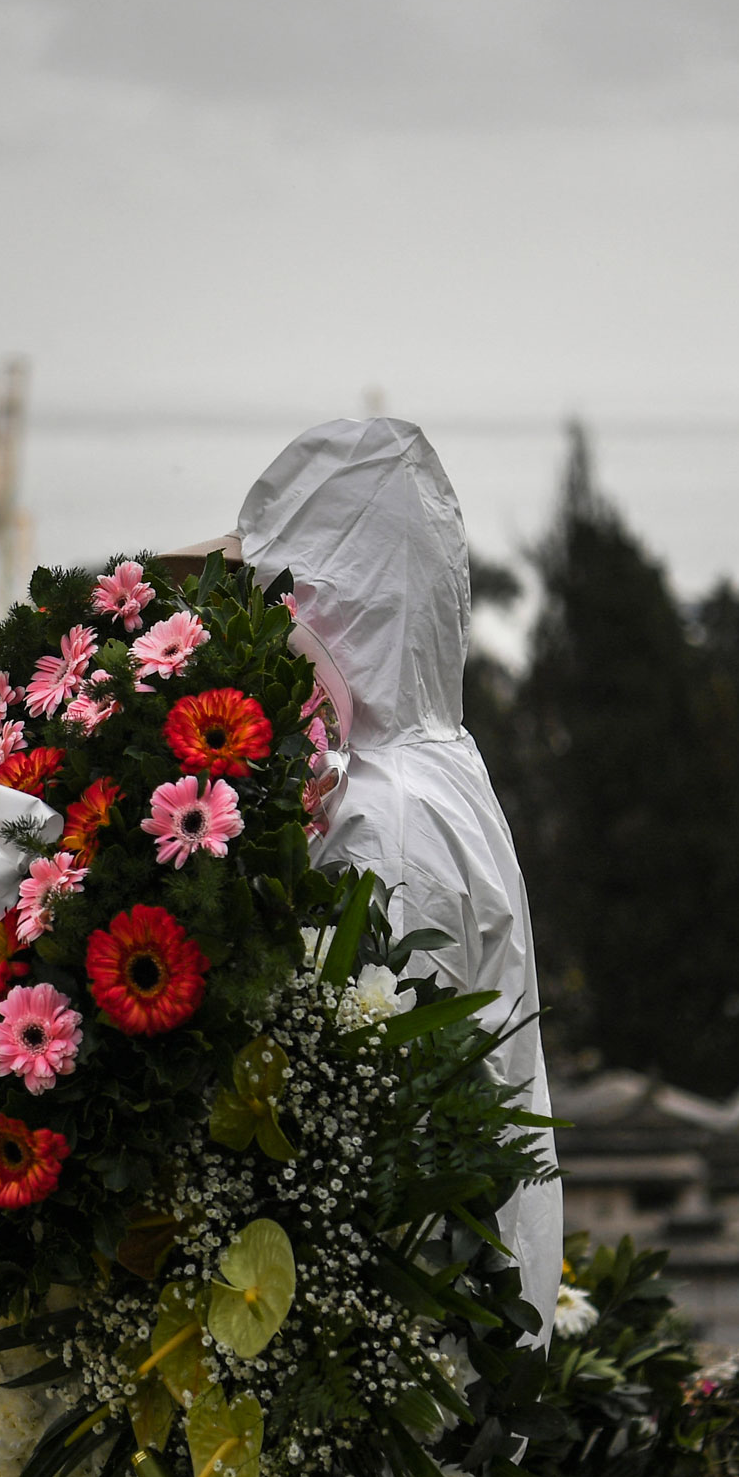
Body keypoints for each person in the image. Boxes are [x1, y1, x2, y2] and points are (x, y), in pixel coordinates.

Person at [217, 417, 564, 1343]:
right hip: (436, 1290)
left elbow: (371, 1095)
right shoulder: (432, 759)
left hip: (401, 1313)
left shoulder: (380, 811)